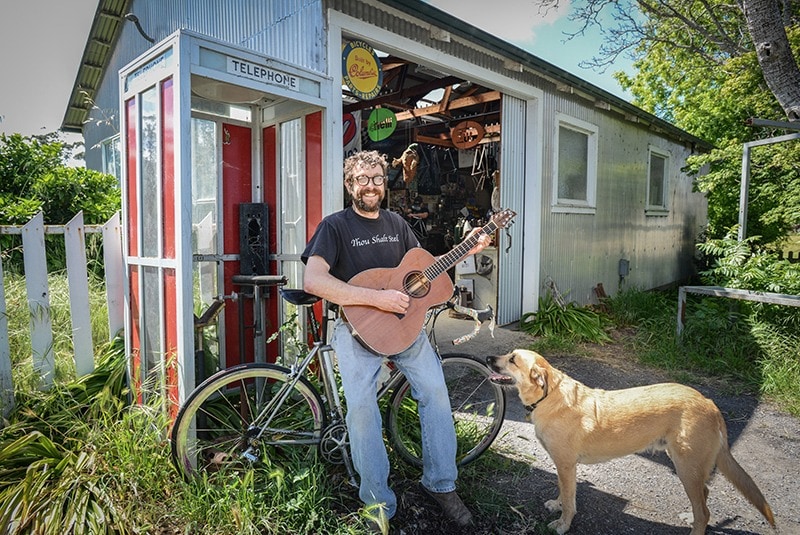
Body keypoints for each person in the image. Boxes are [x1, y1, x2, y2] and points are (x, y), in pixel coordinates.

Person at [301, 150, 490, 532]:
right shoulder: (334, 227)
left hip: (404, 329)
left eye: (377, 178)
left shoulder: (397, 223)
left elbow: (421, 270)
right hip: (356, 331)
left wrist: (464, 249)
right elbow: (314, 281)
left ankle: (440, 484)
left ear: (384, 184)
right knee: (362, 410)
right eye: (362, 179)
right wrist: (376, 298)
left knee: (436, 393)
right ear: (349, 184)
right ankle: (377, 504)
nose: (370, 185)